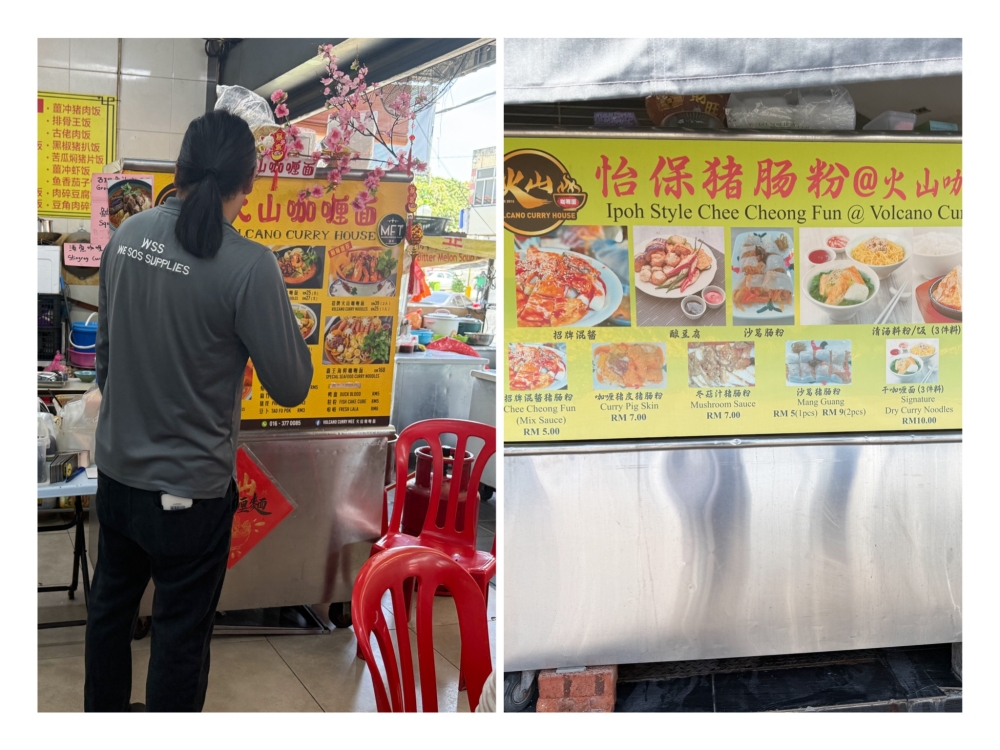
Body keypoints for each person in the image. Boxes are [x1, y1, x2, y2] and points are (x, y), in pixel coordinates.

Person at [85, 110, 313, 712]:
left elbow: (103, 358)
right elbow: (291, 386)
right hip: (191, 495)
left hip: (116, 478)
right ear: (247, 186)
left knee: (108, 615)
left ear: (179, 170)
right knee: (180, 638)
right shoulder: (250, 266)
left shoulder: (127, 238)